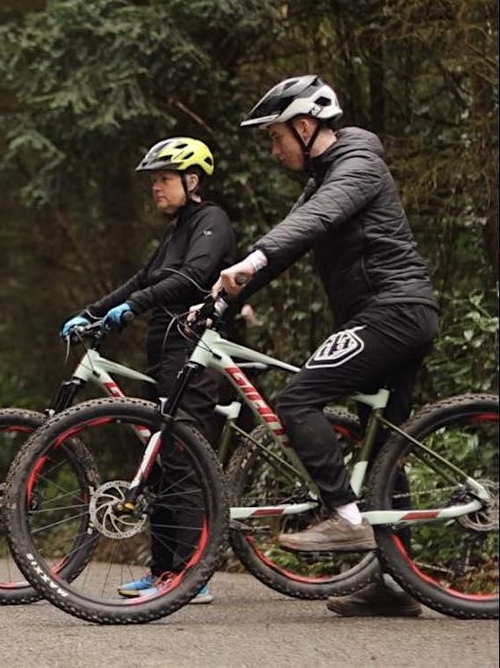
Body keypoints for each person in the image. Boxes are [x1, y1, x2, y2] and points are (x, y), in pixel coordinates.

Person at [216, 75, 439, 617]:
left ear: (306, 125)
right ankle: (395, 585)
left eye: (276, 138)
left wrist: (253, 259)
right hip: (386, 313)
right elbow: (296, 238)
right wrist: (220, 298)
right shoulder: (323, 178)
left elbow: (313, 221)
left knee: (296, 400)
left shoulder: (358, 162)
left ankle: (344, 515)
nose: (273, 151)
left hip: (394, 310)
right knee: (384, 446)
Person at [62, 136, 236, 603]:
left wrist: (133, 306)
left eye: (163, 179)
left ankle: (190, 577)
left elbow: (195, 276)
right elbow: (144, 278)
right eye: (153, 181)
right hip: (165, 349)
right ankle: (163, 571)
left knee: (181, 455)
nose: (155, 188)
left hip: (195, 348)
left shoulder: (211, 220)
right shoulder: (177, 228)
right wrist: (93, 310)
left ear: (192, 180)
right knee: (159, 459)